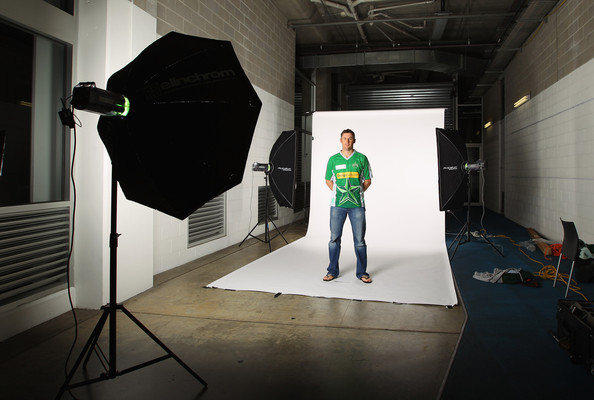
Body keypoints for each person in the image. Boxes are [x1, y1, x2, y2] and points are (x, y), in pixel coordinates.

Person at [323, 128, 373, 283]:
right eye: (345, 138)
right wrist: (340, 193)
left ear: (354, 140)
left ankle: (362, 272)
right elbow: (328, 180)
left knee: (360, 241)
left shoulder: (362, 158)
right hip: (337, 205)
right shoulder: (333, 159)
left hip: (357, 206)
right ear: (340, 140)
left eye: (350, 138)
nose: (347, 141)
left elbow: (368, 180)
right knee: (334, 239)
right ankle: (332, 271)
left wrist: (356, 193)